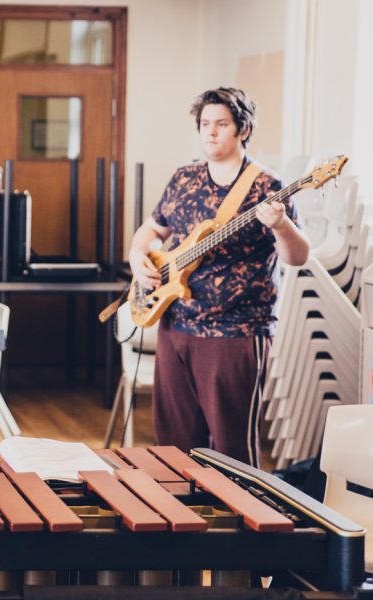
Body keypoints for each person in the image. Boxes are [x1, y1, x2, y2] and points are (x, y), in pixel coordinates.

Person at [128, 87, 309, 467]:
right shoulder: (184, 178)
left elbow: (297, 256)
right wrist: (135, 255)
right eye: (205, 124)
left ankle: (239, 522)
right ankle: (180, 519)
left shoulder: (267, 186)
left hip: (236, 330)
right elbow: (151, 229)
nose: (210, 132)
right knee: (172, 444)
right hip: (176, 322)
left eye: (221, 124)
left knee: (231, 447)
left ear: (242, 130)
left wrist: (282, 226)